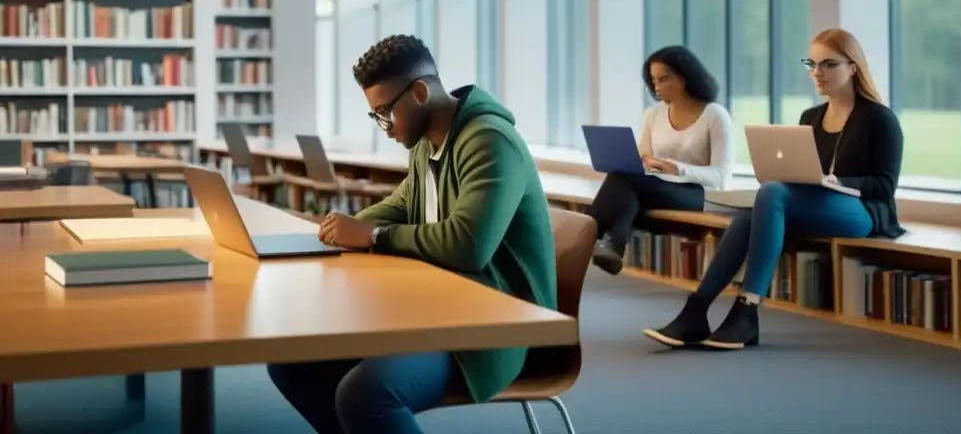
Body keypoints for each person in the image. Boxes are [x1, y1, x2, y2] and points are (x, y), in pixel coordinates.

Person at [266, 34, 557, 434]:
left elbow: (468, 245)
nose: (384, 127)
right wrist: (332, 230)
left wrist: (373, 236)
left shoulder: (489, 141)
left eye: (385, 112)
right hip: (437, 308)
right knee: (291, 362)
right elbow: (401, 206)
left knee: (365, 395)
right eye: (376, 116)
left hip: (496, 325)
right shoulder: (426, 145)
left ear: (419, 91)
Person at [643, 28, 905, 351]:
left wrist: (838, 181)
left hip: (863, 212)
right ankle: (697, 309)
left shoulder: (880, 119)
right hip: (816, 204)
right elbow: (799, 170)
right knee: (749, 215)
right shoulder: (811, 117)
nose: (817, 72)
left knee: (771, 193)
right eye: (812, 63)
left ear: (853, 67)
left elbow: (884, 185)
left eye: (828, 65)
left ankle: (747, 307)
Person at [588, 45, 735, 276]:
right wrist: (646, 163)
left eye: (663, 79)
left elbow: (721, 177)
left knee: (624, 179)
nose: (656, 88)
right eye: (653, 80)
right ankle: (613, 241)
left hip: (699, 193)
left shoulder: (715, 115)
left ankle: (587, 234)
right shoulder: (653, 114)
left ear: (685, 76)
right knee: (625, 175)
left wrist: (676, 168)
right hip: (656, 187)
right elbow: (643, 157)